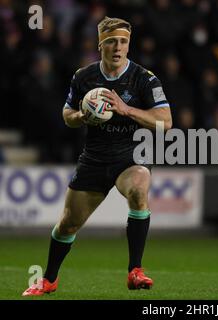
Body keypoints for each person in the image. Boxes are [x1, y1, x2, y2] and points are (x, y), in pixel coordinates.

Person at [22, 16, 172, 296]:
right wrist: (83, 115)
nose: (118, 47)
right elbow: (67, 116)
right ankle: (49, 279)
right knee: (68, 224)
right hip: (94, 159)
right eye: (112, 41)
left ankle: (135, 271)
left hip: (129, 158)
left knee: (139, 188)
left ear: (129, 45)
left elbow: (166, 122)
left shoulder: (144, 79)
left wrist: (127, 110)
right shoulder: (84, 77)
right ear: (100, 45)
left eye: (124, 42)